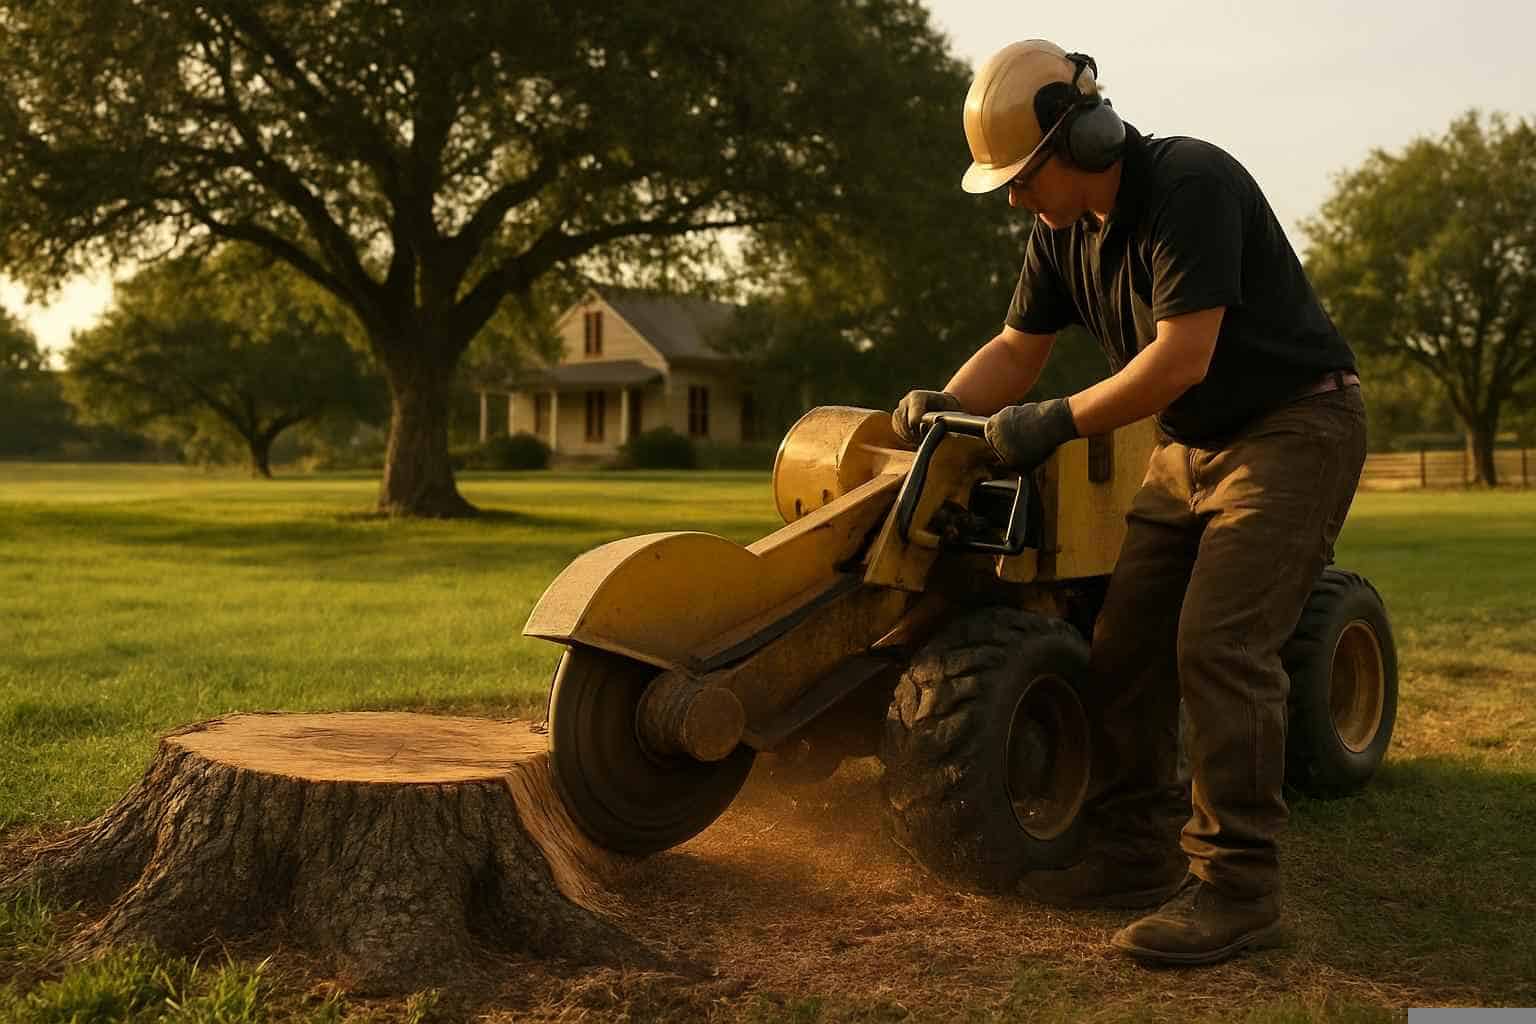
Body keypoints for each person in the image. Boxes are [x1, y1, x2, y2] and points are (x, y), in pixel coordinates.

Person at [891, 39, 1366, 966]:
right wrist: (949, 405)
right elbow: (1015, 349)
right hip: (1187, 446)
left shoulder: (1190, 185)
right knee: (1127, 637)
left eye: (1025, 177)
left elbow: (1179, 357)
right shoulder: (1059, 233)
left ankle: (1239, 891)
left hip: (1291, 431)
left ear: (1088, 135)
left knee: (1221, 644)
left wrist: (1051, 424)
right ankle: (1133, 849)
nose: (1018, 197)